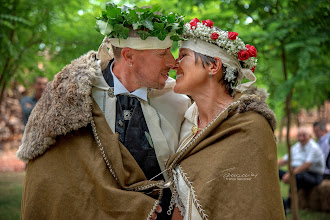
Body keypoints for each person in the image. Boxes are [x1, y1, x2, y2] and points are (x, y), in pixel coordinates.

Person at [16, 4, 190, 219]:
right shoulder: (73, 98)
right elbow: (55, 179)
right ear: (129, 56)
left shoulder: (179, 101)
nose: (173, 62)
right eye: (163, 53)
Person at [164, 18, 285, 219]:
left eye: (183, 55)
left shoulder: (251, 127)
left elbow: (254, 206)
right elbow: (181, 201)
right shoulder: (186, 120)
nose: (174, 65)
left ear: (213, 66)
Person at [278, 127, 325, 210]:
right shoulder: (297, 146)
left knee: (297, 176)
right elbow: (285, 160)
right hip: (297, 172)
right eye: (299, 136)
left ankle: (288, 205)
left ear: (310, 136)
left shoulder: (314, 148)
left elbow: (306, 165)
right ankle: (275, 197)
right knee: (276, 172)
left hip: (314, 176)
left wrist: (290, 175)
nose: (301, 138)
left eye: (304, 135)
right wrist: (270, 166)